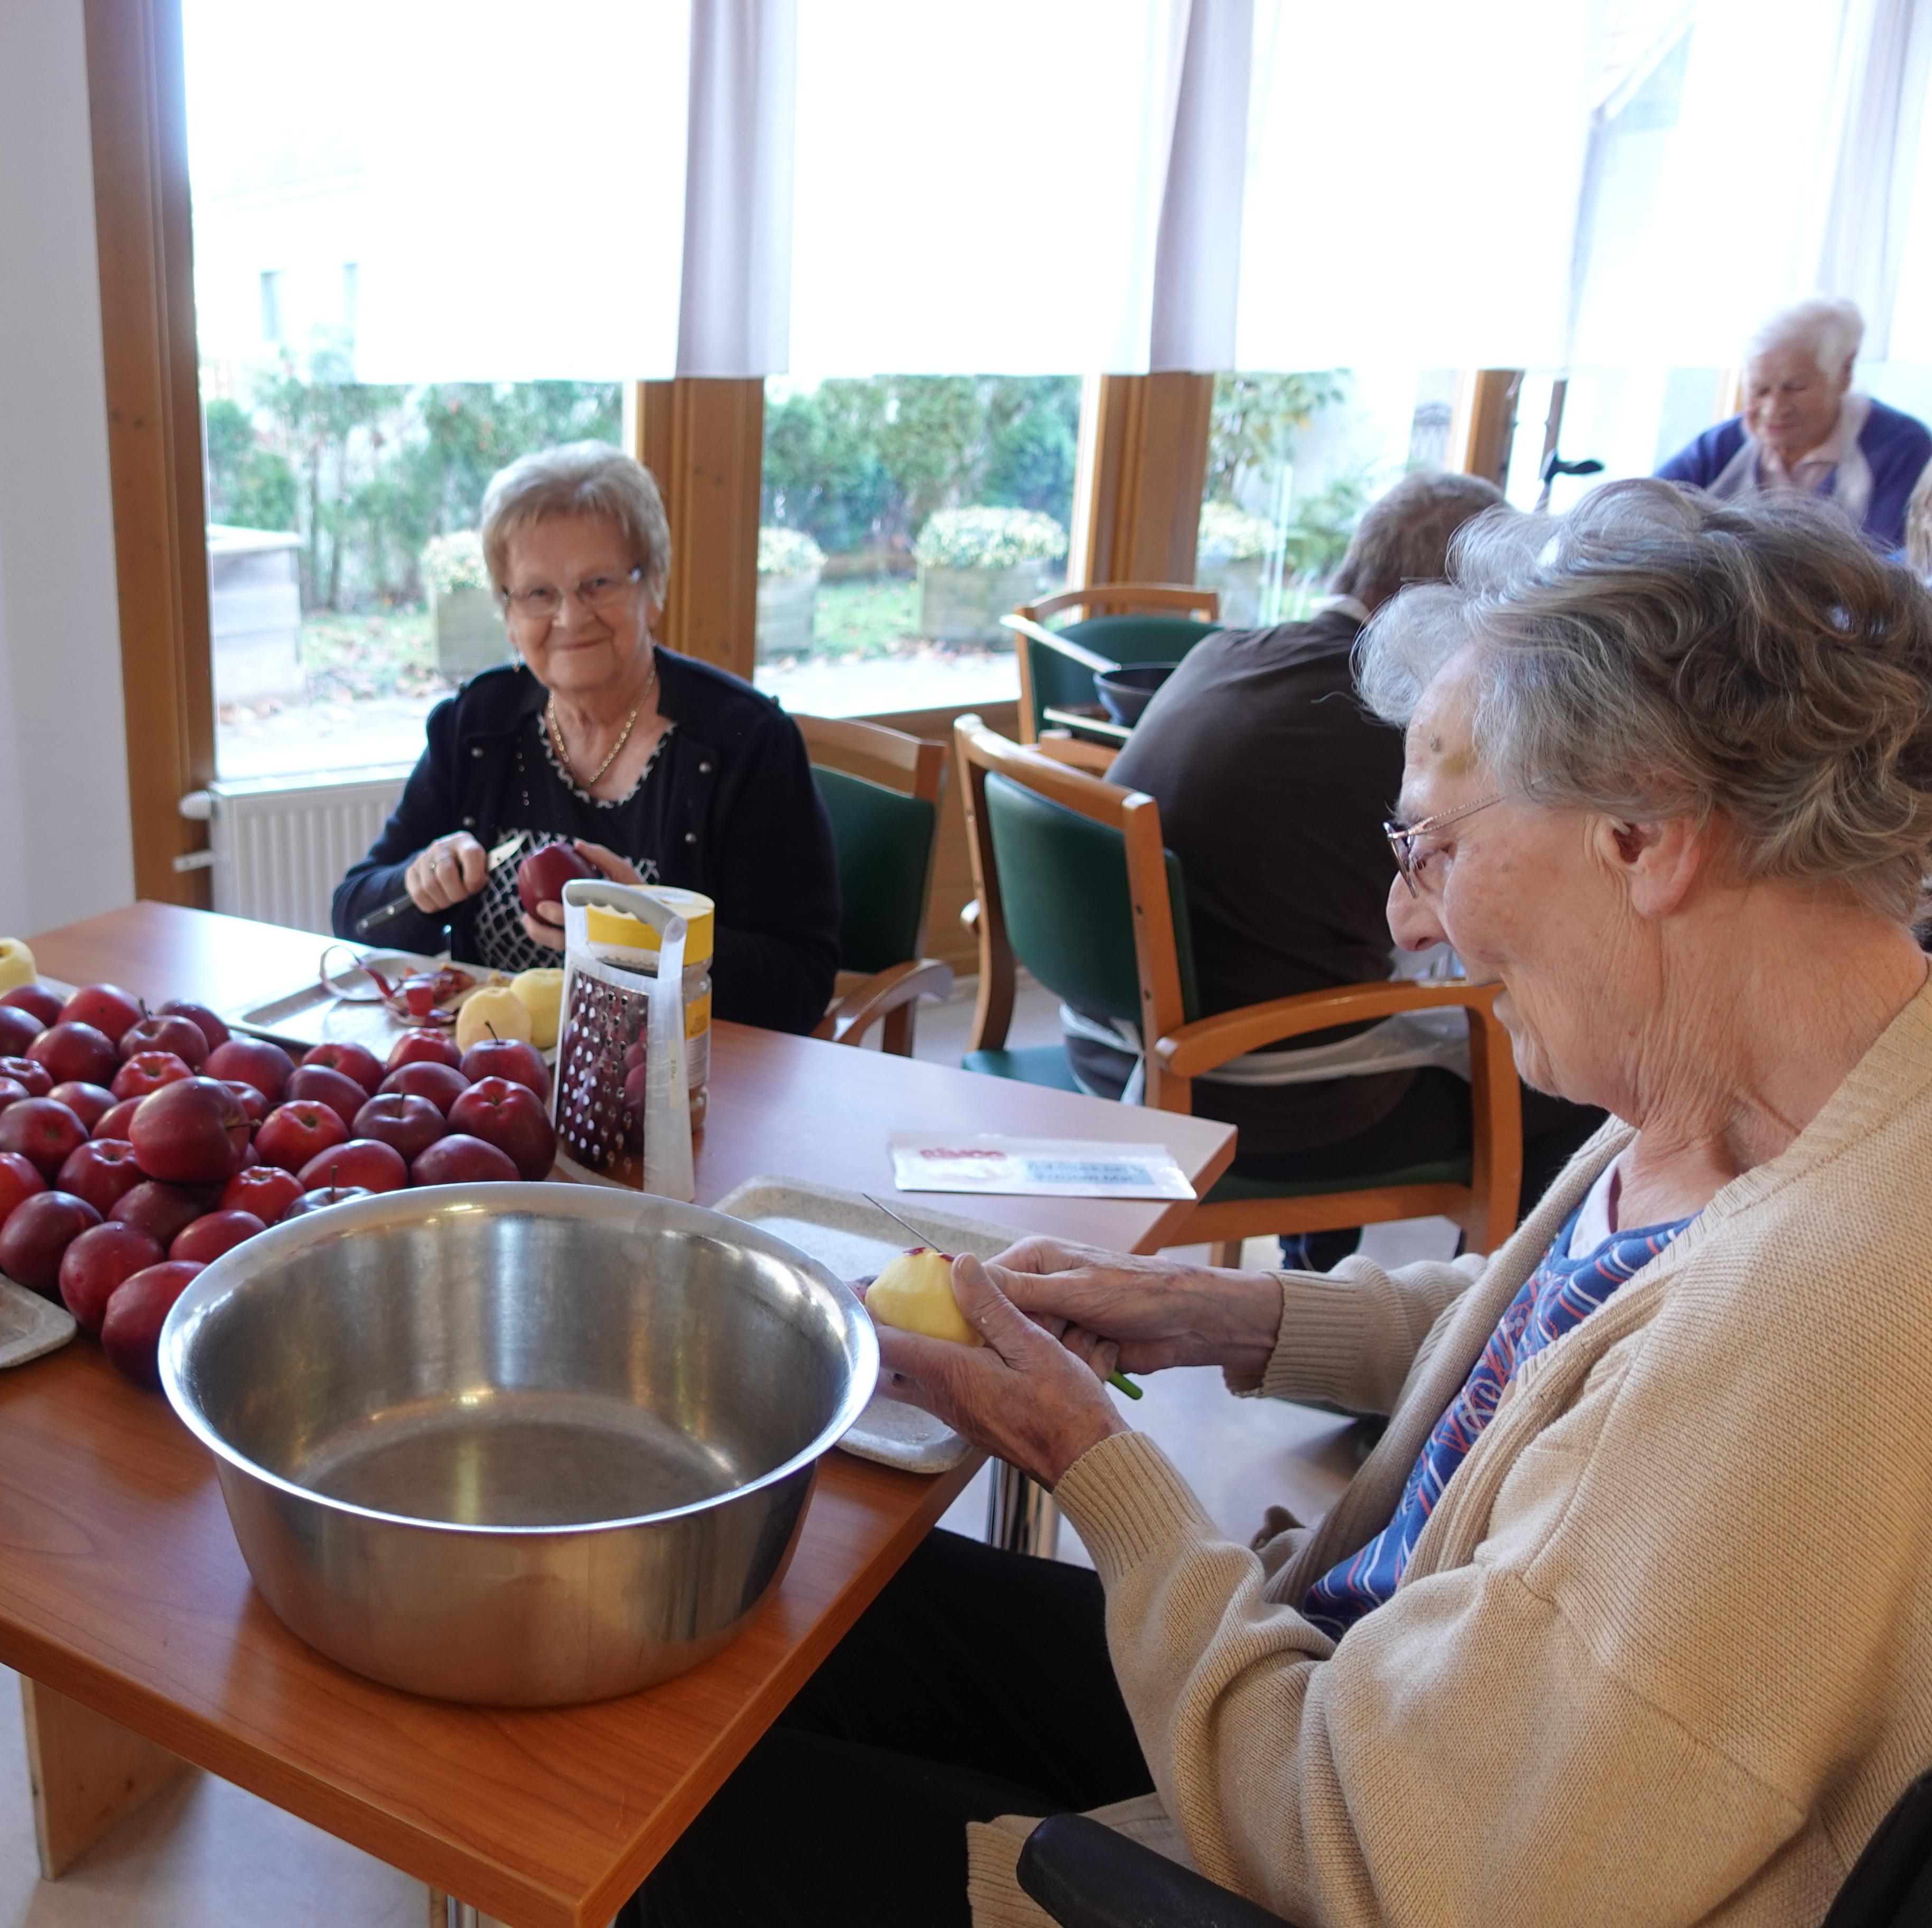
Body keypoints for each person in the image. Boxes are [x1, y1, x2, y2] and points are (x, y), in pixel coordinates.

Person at [625, 484, 1932, 1926]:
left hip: (1321, 1824)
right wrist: (1220, 1312)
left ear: (1644, 830)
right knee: (793, 1621)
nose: (1403, 919)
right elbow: (1558, 1337)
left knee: (656, 1818)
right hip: (1342, 1686)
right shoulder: (1762, 1090)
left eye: (1432, 848)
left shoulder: (1817, 1346)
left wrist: (1091, 1462)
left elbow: (1382, 1853)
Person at [1070, 470, 1603, 1268]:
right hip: (1259, 1099)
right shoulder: (1400, 723)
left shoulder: (1219, 653)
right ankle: (1492, 1325)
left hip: (1111, 1045)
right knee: (1574, 1084)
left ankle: (1314, 1268)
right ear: (1442, 603)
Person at [330, 443, 841, 1034]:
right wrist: (417, 886)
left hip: (669, 1076)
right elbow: (355, 916)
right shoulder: (477, 726)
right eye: (538, 594)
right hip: (496, 1069)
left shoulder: (745, 741)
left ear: (653, 587)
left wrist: (652, 936)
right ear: (509, 615)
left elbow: (800, 985)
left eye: (598, 583)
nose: (570, 618)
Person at [1656, 296, 1930, 553]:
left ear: (1844, 374)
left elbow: (1896, 561)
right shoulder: (1722, 445)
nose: (1773, 409)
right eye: (1760, 391)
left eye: (1795, 388)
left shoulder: (1902, 448)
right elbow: (1647, 509)